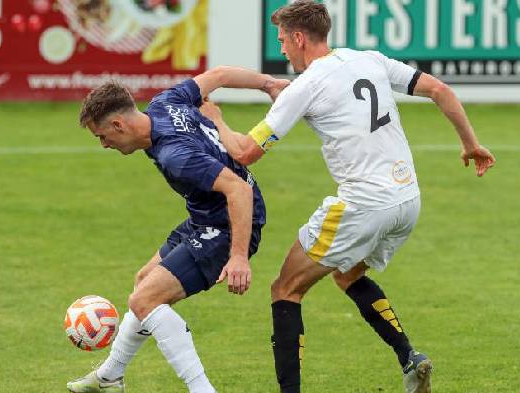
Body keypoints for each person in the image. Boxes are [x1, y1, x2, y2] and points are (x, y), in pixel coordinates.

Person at [198, 1, 496, 393]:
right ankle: (410, 358)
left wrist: (216, 119)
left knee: (285, 289)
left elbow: (245, 152)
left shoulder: (306, 86)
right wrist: (471, 144)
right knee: (347, 273)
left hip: (363, 205)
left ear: (300, 37)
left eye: (283, 40)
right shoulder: (368, 59)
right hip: (407, 199)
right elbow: (439, 89)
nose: (282, 49)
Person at [66, 68, 287, 393]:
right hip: (205, 218)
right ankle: (111, 376)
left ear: (118, 124)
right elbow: (221, 75)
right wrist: (268, 83)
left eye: (102, 136)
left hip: (227, 223)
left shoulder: (175, 155)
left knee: (145, 300)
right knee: (144, 282)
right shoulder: (167, 102)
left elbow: (239, 191)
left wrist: (239, 257)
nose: (104, 145)